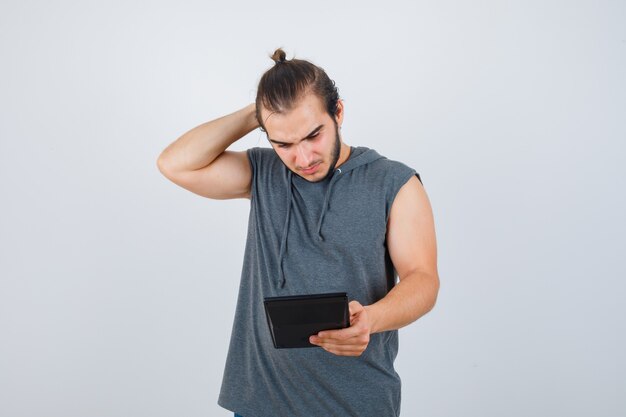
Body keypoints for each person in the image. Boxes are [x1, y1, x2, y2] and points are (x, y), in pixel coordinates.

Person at [157, 48, 440, 417]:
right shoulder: (264, 173)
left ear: (338, 112)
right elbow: (175, 164)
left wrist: (373, 319)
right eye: (283, 143)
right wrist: (256, 112)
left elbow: (424, 280)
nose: (303, 158)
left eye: (313, 135)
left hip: (355, 406)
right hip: (259, 404)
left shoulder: (393, 182)